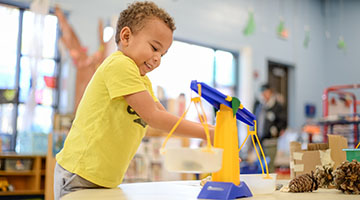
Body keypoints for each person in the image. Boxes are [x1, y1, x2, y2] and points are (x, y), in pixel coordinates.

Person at [53, 2, 214, 199]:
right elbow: (154, 117)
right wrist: (208, 133)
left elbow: (161, 116)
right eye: (155, 48)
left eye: (162, 54)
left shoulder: (142, 80)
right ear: (126, 36)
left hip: (104, 178)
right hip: (80, 174)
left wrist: (207, 138)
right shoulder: (120, 64)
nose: (158, 59)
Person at [253, 83, 287, 172]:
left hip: (271, 141)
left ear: (270, 92)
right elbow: (255, 121)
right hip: (260, 140)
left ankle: (269, 184)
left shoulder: (277, 106)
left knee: (269, 167)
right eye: (262, 93)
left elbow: (283, 122)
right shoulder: (259, 106)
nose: (264, 94)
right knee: (261, 166)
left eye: (266, 92)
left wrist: (276, 131)